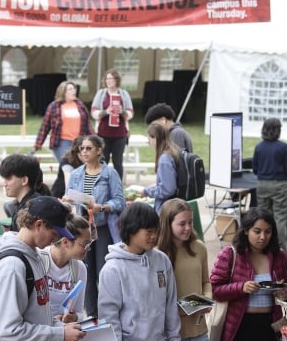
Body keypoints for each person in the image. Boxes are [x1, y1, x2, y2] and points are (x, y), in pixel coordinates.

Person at [0, 196, 85, 341]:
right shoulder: (12, 266)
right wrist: (61, 334)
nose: (55, 240)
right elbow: (8, 330)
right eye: (54, 234)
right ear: (39, 224)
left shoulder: (34, 256)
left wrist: (60, 327)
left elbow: (38, 316)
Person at [98, 202, 181, 341]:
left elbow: (171, 304)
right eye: (148, 231)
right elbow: (109, 318)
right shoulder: (112, 270)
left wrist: (174, 338)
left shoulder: (162, 260)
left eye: (156, 230)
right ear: (131, 230)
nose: (154, 236)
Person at [63, 134, 125, 318]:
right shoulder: (76, 174)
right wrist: (70, 200)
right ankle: (92, 313)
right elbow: (69, 196)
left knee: (103, 272)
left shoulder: (110, 173)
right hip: (82, 228)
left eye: (88, 148)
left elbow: (120, 201)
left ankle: (109, 312)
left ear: (99, 150)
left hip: (103, 227)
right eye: (81, 148)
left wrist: (102, 207)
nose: (84, 151)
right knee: (86, 272)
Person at [210, 208, 287, 341]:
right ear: (245, 230)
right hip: (240, 325)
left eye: (268, 231)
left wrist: (285, 294)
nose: (263, 237)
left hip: (272, 325)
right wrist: (241, 288)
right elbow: (215, 290)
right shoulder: (229, 254)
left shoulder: (279, 255)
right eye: (257, 231)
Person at [157, 198, 211, 341]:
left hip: (198, 329)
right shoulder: (156, 254)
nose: (188, 227)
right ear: (167, 224)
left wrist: (207, 299)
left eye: (190, 222)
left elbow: (206, 282)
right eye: (182, 224)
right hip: (169, 332)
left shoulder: (199, 247)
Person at [252, 118, 287, 257]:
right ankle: (280, 251)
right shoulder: (283, 148)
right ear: (278, 130)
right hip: (279, 184)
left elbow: (255, 169)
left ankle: (263, 247)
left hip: (262, 184)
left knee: (263, 217)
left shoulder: (259, 147)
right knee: (280, 218)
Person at [39, 215, 91, 324]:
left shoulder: (79, 268)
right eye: (85, 244)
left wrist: (74, 317)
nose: (89, 248)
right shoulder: (39, 259)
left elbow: (79, 312)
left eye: (89, 244)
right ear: (65, 242)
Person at [91, 68, 134, 180]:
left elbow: (130, 112)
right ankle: (101, 183)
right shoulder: (101, 94)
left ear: (117, 80)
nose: (109, 81)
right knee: (102, 160)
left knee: (118, 162)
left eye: (111, 78)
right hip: (103, 134)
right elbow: (93, 111)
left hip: (119, 134)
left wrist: (122, 112)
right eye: (107, 78)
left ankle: (118, 185)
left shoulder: (124, 94)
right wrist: (105, 112)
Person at [34, 81, 94, 161]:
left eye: (74, 89)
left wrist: (96, 140)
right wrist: (38, 143)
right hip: (61, 142)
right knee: (68, 165)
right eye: (70, 89)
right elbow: (45, 126)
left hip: (79, 141)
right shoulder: (54, 106)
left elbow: (87, 125)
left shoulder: (80, 105)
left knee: (76, 168)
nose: (74, 91)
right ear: (63, 92)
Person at [142, 122, 179, 214]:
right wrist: (156, 185)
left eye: (149, 140)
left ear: (155, 138)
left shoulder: (164, 159)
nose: (150, 144)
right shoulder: (174, 151)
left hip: (166, 209)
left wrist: (147, 191)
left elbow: (168, 189)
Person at [0, 153, 42, 230]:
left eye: (8, 179)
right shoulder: (35, 202)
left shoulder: (29, 211)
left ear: (24, 180)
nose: (4, 184)